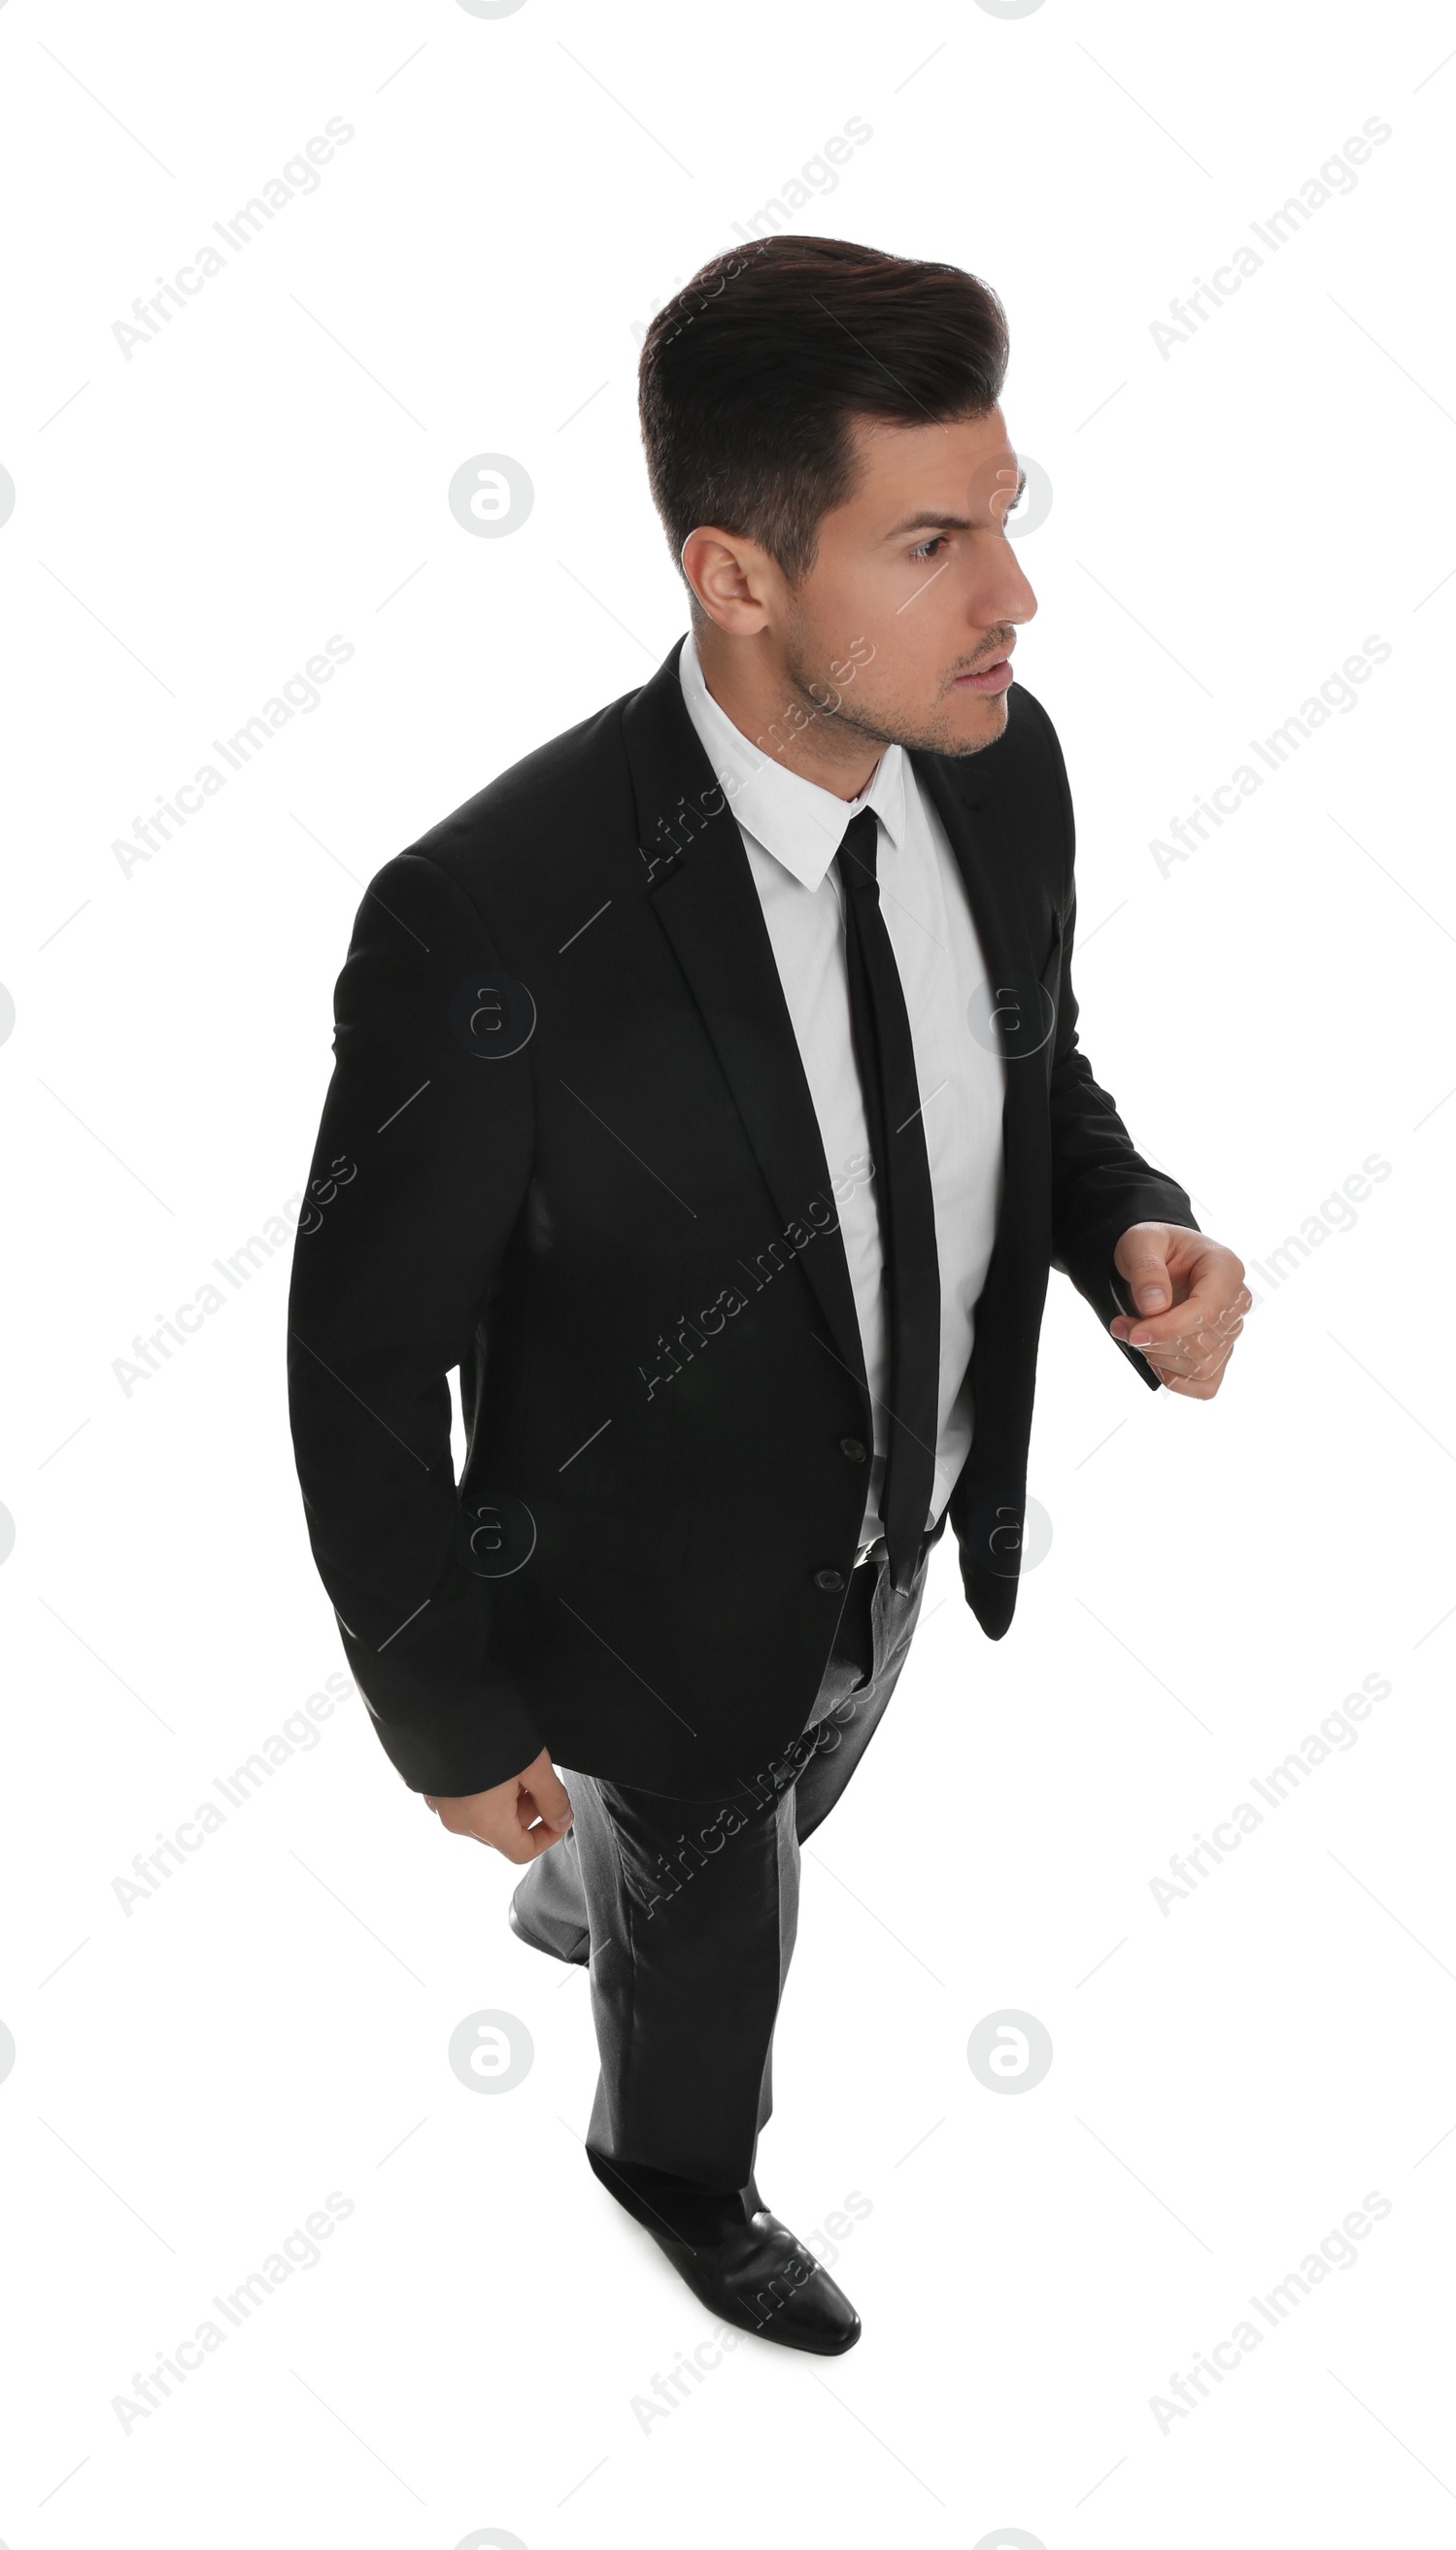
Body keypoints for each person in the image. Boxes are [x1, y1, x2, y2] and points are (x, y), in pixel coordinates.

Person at [286, 233, 1249, 2357]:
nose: (1011, 595)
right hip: (643, 1591)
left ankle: (599, 1867)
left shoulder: (1000, 763)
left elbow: (1030, 1059)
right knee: (718, 1906)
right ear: (734, 576)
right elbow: (363, 1362)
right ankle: (672, 2165)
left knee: (791, 1773)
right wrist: (447, 1717)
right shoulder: (490, 913)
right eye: (931, 540)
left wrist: (1125, 1229)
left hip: (903, 1525)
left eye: (1002, 519)